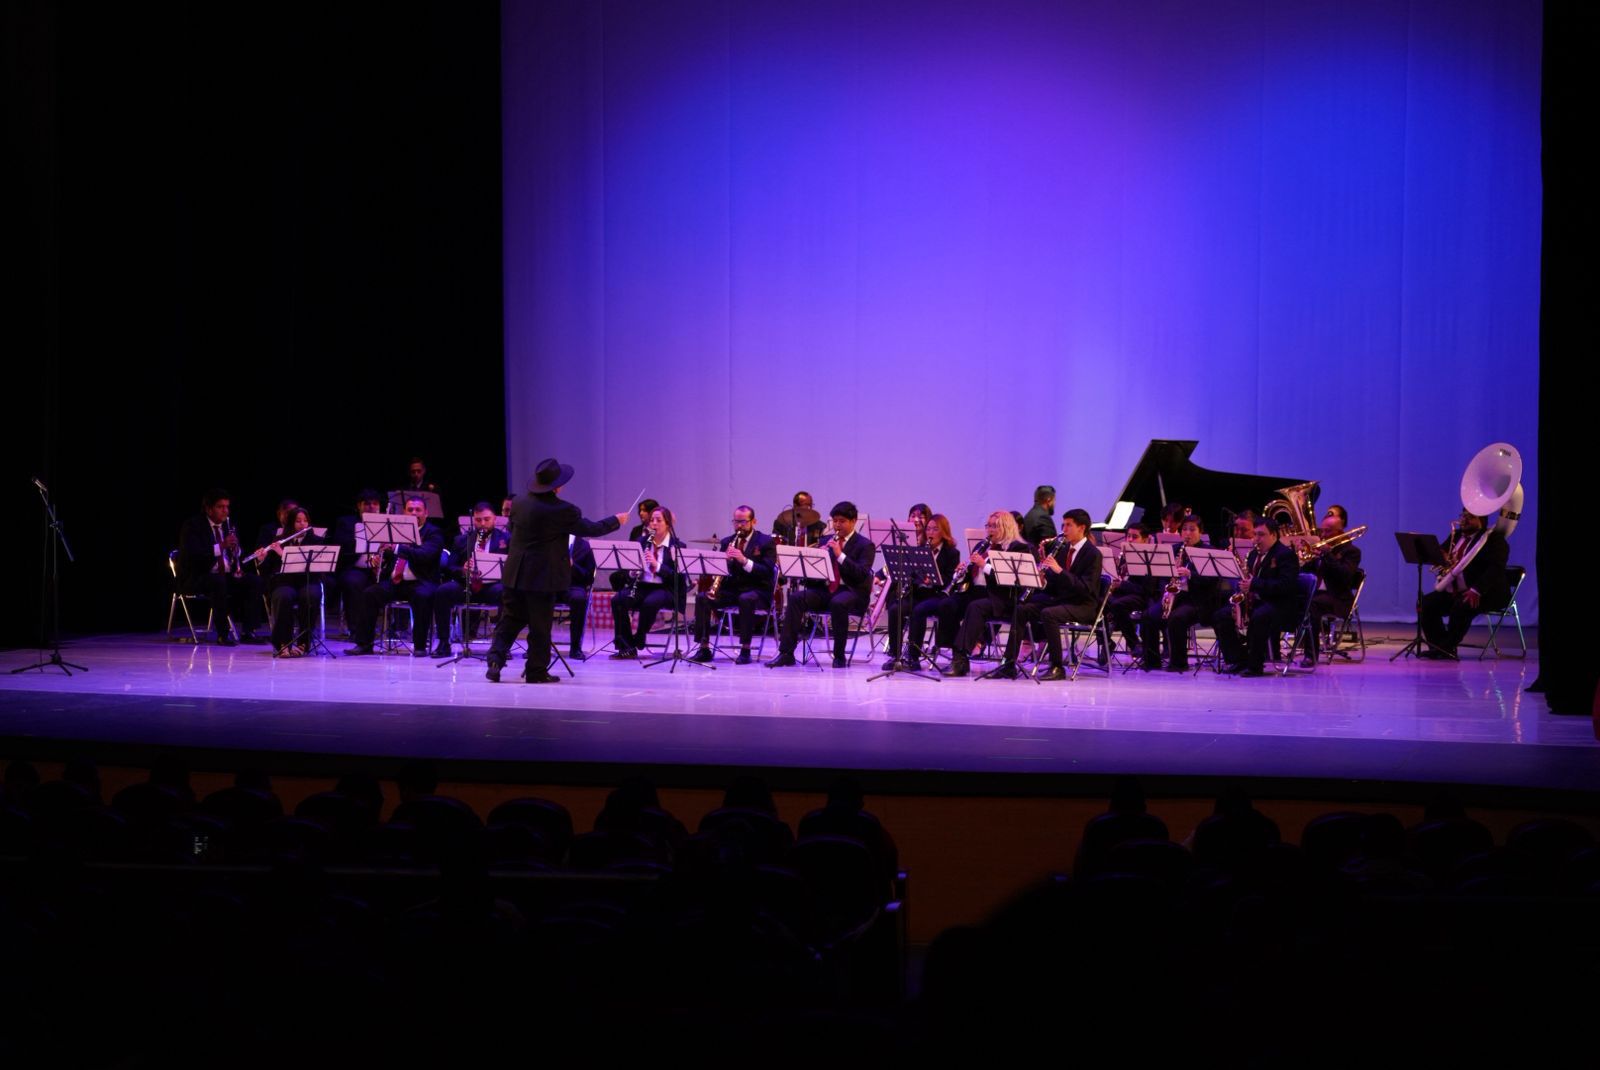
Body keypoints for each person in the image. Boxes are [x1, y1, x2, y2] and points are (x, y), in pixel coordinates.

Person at [485, 458, 627, 683]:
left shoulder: (519, 503)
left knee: (511, 619)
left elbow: (513, 529)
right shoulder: (563, 510)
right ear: (557, 486)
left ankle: (494, 660)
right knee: (540, 625)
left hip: (515, 573)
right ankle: (536, 671)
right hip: (542, 576)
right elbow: (590, 528)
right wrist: (616, 521)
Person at [992, 508, 1104, 680]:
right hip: (1062, 600)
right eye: (1063, 525)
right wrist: (1043, 581)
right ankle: (1009, 664)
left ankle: (1057, 666)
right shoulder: (1063, 549)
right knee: (1022, 609)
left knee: (1048, 613)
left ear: (1082, 528)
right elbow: (1055, 585)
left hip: (1084, 605)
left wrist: (1060, 571)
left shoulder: (1093, 554)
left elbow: (1086, 588)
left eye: (1068, 525)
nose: (1064, 530)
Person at [768, 501, 875, 669]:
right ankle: (786, 653)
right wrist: (817, 559)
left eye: (842, 521)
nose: (837, 525)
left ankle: (839, 656)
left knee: (838, 603)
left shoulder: (865, 545)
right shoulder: (826, 540)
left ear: (853, 521)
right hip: (827, 590)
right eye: (835, 521)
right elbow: (815, 577)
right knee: (796, 598)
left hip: (853, 591)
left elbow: (861, 574)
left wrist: (840, 556)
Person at [347, 495, 445, 656]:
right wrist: (380, 557)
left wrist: (397, 548)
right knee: (369, 594)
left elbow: (425, 555)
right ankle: (364, 644)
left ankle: (420, 646)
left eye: (418, 510)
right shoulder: (395, 529)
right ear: (404, 512)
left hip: (421, 581)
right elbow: (390, 554)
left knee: (422, 596)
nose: (414, 513)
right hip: (396, 581)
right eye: (410, 509)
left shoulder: (433, 532)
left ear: (426, 513)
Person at [940, 510, 1031, 677]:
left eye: (994, 526)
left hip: (1002, 597)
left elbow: (1011, 580)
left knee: (976, 607)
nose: (989, 530)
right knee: (949, 604)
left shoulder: (1019, 548)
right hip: (978, 592)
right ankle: (951, 650)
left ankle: (960, 658)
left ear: (1006, 527)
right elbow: (970, 575)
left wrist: (985, 565)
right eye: (988, 525)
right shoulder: (983, 546)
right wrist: (959, 573)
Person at [1213, 516, 1302, 676]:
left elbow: (1285, 586)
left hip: (1280, 605)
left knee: (1259, 616)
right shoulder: (1254, 554)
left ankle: (1255, 665)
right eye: (1255, 534)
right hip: (1258, 601)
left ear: (1274, 535)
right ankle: (1238, 659)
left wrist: (1254, 585)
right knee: (1221, 616)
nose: (1255, 539)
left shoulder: (1285, 555)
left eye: (1261, 535)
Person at [175, 488, 263, 645]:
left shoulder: (228, 525)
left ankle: (249, 631)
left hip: (223, 576)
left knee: (254, 581)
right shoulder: (193, 526)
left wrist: (236, 550)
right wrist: (221, 546)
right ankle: (223, 633)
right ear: (209, 509)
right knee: (218, 582)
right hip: (197, 576)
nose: (225, 511)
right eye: (220, 507)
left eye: (227, 507)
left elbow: (236, 555)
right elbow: (193, 554)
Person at [691, 505, 778, 665]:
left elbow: (766, 571)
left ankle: (745, 650)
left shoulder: (766, 542)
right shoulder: (727, 542)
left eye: (743, 522)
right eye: (736, 522)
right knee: (702, 598)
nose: (739, 525)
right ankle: (704, 647)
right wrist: (723, 564)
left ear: (754, 522)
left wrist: (744, 560)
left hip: (758, 591)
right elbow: (722, 572)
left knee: (746, 599)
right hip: (733, 590)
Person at [1419, 510, 1510, 659]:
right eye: (1463, 516)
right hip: (1458, 590)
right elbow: (1442, 552)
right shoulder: (1458, 535)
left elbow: (1496, 568)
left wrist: (1477, 590)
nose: (1464, 520)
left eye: (1471, 517)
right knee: (1426, 603)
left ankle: (1446, 648)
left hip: (1486, 592)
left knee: (1461, 606)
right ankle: (1440, 647)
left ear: (1482, 521)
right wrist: (1442, 556)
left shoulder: (1493, 539)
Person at [1142, 516, 1223, 672]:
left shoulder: (1208, 551)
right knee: (1148, 616)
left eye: (1192, 529)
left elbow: (1212, 581)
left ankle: (1179, 662)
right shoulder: (1174, 550)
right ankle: (1152, 661)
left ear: (1201, 532)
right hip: (1175, 596)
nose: (1187, 533)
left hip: (1198, 601)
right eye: (1184, 529)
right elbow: (1160, 575)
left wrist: (1190, 574)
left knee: (1177, 618)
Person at [881, 513, 961, 670]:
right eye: (928, 529)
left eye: (935, 529)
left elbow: (950, 578)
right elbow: (911, 573)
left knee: (919, 610)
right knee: (895, 609)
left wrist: (933, 580)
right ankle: (895, 655)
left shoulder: (952, 553)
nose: (930, 533)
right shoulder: (919, 550)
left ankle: (913, 656)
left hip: (937, 595)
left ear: (944, 531)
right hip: (918, 593)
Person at [432, 502, 510, 657]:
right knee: (442, 592)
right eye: (478, 520)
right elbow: (450, 567)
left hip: (492, 586)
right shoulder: (461, 540)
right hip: (466, 586)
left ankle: (501, 645)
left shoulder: (506, 539)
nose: (482, 524)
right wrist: (462, 569)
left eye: (487, 519)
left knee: (506, 593)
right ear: (473, 520)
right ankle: (443, 642)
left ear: (495, 519)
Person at [610, 506, 688, 659]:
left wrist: (657, 566)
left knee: (650, 602)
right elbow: (629, 570)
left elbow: (679, 579)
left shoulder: (677, 546)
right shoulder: (642, 542)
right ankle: (626, 646)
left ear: (668, 524)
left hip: (666, 588)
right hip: (642, 585)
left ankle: (640, 635)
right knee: (618, 600)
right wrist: (633, 571)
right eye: (652, 520)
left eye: (659, 520)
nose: (654, 523)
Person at [257, 506, 326, 657]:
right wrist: (262, 559)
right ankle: (283, 643)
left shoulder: (316, 541)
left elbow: (319, 567)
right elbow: (267, 570)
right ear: (290, 524)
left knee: (311, 595)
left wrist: (283, 554)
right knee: (283, 596)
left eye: (305, 521)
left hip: (308, 581)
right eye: (298, 521)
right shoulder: (279, 541)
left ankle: (304, 643)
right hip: (285, 582)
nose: (303, 524)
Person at [1299, 505, 1362, 666]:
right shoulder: (1320, 549)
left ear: (1340, 532)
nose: (1323, 535)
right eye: (1322, 531)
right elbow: (1307, 572)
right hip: (1317, 595)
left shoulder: (1351, 551)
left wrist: (1328, 555)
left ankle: (1310, 655)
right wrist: (1303, 559)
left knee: (1312, 605)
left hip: (1338, 598)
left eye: (1328, 531)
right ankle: (1275, 652)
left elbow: (1345, 576)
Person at [330, 489, 385, 636]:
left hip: (383, 568)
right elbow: (340, 545)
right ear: (359, 506)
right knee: (353, 582)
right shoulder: (347, 523)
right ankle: (357, 631)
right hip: (357, 568)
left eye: (375, 504)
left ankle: (396, 628)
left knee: (400, 580)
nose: (371, 507)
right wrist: (360, 538)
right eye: (367, 504)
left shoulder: (387, 523)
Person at [558, 533, 599, 660]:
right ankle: (537, 647)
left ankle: (575, 647)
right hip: (553, 583)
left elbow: (588, 577)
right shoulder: (552, 541)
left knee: (579, 599)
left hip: (574, 585)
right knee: (538, 596)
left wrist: (573, 566)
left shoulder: (585, 546)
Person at [609, 498, 660, 591]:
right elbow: (630, 550)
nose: (641, 513)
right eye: (640, 510)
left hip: (650, 566)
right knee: (615, 577)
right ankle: (624, 601)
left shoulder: (659, 531)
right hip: (635, 565)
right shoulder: (636, 530)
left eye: (644, 510)